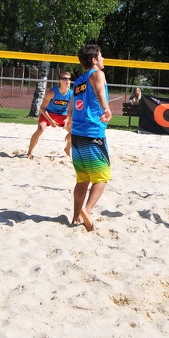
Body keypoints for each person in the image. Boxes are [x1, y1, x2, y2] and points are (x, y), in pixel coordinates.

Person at [67, 44, 112, 231]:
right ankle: (88, 210)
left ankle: (76, 216)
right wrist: (107, 108)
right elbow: (101, 94)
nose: (103, 59)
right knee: (102, 178)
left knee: (82, 179)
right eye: (101, 56)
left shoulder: (78, 81)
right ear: (94, 60)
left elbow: (71, 107)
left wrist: (69, 127)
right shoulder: (97, 74)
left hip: (77, 134)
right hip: (93, 133)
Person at [27, 72, 73, 158]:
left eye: (69, 79)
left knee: (74, 132)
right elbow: (42, 108)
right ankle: (29, 152)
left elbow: (71, 110)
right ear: (60, 81)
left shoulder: (71, 94)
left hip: (62, 115)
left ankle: (67, 149)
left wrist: (67, 118)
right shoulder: (53, 92)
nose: (67, 81)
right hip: (48, 113)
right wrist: (50, 121)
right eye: (65, 79)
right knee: (40, 129)